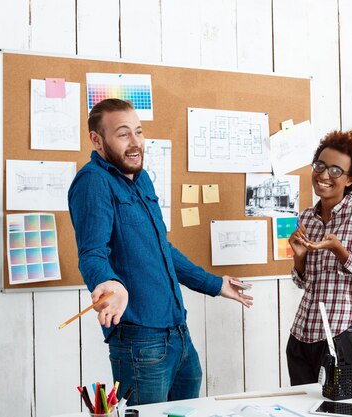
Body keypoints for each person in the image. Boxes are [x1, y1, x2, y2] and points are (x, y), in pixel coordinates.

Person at [68, 98, 253, 405]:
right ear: (96, 140)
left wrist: (214, 284)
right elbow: (92, 253)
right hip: (141, 342)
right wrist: (107, 283)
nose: (135, 142)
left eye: (138, 132)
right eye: (123, 133)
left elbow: (161, 249)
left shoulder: (141, 180)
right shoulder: (93, 182)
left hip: (178, 333)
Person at [286, 129, 352, 385]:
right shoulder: (307, 217)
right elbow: (303, 283)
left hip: (343, 336)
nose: (323, 175)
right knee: (302, 412)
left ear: (350, 179)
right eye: (320, 165)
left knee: (342, 412)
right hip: (302, 334)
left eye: (335, 170)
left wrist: (340, 252)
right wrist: (299, 260)